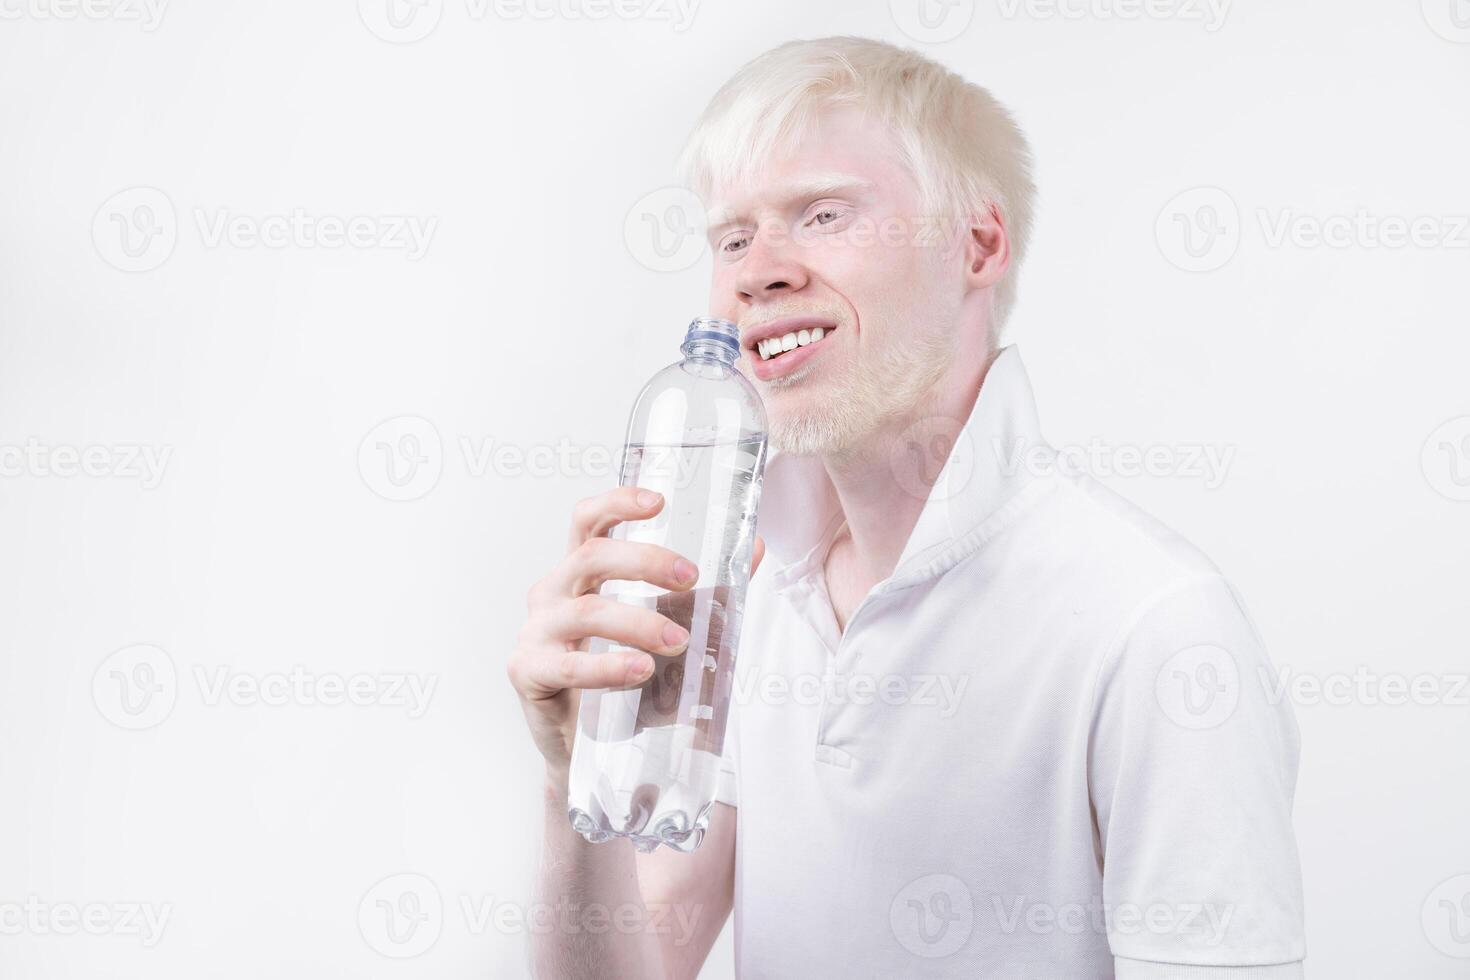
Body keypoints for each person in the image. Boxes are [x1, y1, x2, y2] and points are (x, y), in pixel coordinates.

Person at [507, 35, 1306, 979]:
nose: (757, 270)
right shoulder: (749, 595)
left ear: (979, 245)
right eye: (730, 237)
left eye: (822, 213)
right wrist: (572, 779)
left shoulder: (1158, 627)